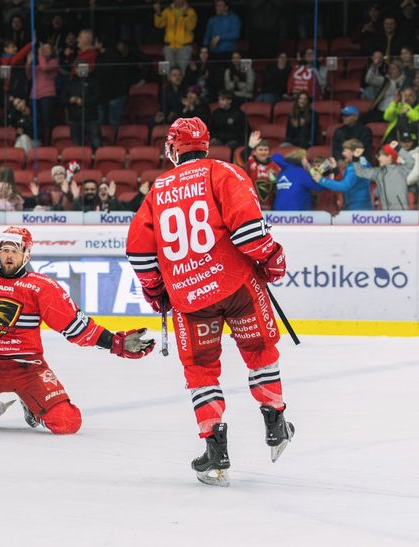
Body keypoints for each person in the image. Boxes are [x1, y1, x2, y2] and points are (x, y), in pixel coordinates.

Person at [126, 117, 294, 486]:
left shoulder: (158, 189)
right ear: (206, 143)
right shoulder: (224, 172)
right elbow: (250, 231)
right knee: (261, 350)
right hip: (238, 286)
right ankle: (275, 422)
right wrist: (271, 258)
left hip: (189, 298)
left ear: (173, 148)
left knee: (201, 371)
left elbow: (139, 253)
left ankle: (216, 454)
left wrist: (157, 292)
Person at [0, 227, 152, 434]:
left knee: (67, 422)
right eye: (4, 250)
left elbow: (77, 327)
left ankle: (34, 409)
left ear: (26, 254)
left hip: (28, 369)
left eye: (14, 251)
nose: (8, 256)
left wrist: (115, 343)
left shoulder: (42, 287)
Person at [313, 139, 374, 211]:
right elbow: (349, 181)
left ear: (353, 152)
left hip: (357, 209)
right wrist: (336, 170)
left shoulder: (355, 167)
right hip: (359, 206)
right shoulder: (360, 164)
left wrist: (321, 180)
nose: (342, 153)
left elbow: (345, 186)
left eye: (345, 150)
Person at [353, 143, 412, 210]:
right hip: (387, 215)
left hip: (402, 214)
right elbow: (360, 172)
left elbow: (410, 161)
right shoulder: (377, 173)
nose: (379, 158)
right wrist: (355, 158)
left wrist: (398, 148)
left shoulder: (401, 170)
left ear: (389, 157)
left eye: (381, 156)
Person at [153, 0, 197, 72]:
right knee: (166, 72)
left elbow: (191, 27)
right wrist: (158, 13)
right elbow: (159, 25)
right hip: (169, 47)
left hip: (184, 47)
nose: (181, 0)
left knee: (183, 73)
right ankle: (166, 84)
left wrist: (184, 14)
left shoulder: (191, 11)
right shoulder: (167, 10)